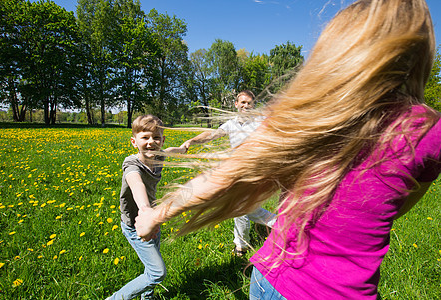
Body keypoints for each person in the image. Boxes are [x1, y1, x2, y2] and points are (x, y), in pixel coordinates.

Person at [135, 0, 440, 299]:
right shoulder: (426, 130)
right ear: (420, 53)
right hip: (336, 290)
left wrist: (156, 215)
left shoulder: (305, 113)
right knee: (248, 214)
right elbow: (398, 207)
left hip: (269, 278)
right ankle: (245, 237)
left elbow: (223, 176)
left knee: (252, 212)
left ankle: (254, 231)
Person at [180, 90, 276, 256]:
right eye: (243, 102)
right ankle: (284, 227)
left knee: (240, 209)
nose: (246, 106)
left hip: (254, 171)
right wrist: (192, 141)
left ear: (254, 105)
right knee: (251, 211)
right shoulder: (231, 124)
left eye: (249, 103)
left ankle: (241, 246)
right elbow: (212, 134)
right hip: (237, 171)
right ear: (236, 105)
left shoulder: (260, 122)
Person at [106, 115, 186, 300]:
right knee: (157, 272)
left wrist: (183, 148)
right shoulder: (131, 164)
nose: (151, 142)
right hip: (136, 224)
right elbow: (136, 184)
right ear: (134, 142)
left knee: (151, 263)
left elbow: (171, 151)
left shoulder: (159, 156)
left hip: (152, 219)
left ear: (162, 140)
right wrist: (145, 209)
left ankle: (147, 296)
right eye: (145, 138)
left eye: (156, 137)